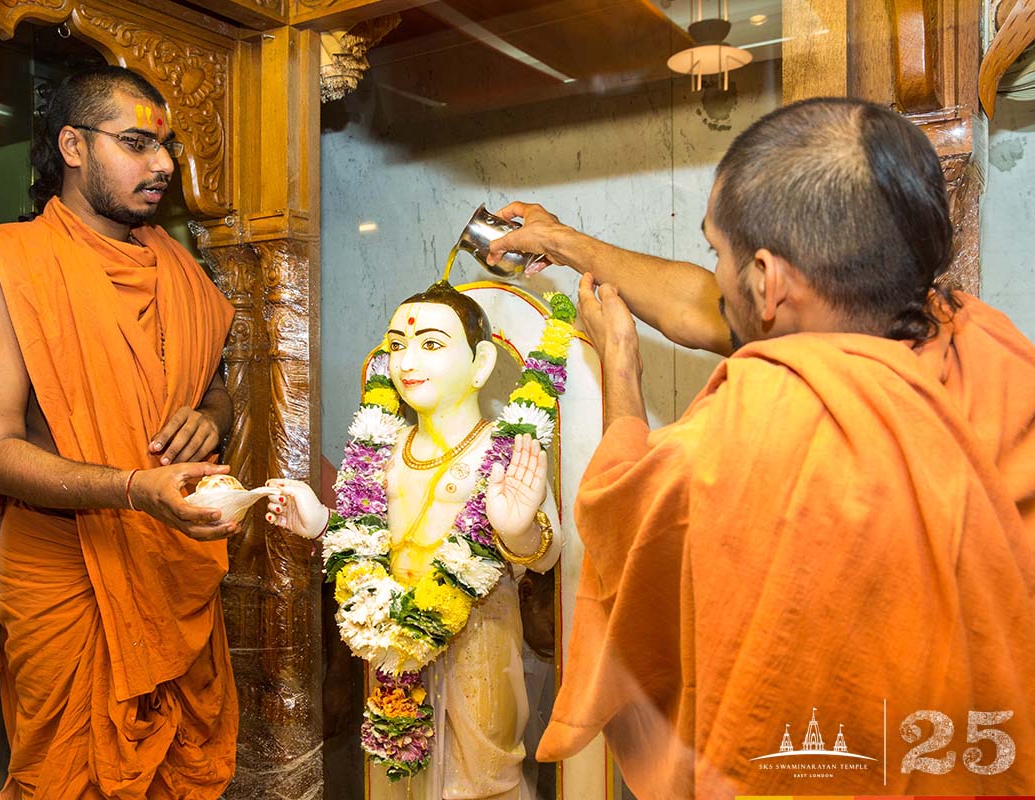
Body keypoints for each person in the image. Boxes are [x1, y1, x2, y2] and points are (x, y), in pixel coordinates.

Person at [487, 97, 1035, 797]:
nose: (713, 273)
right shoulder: (985, 343)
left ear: (770, 281)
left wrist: (618, 367)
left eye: (717, 252)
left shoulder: (758, 425)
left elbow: (627, 522)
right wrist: (565, 242)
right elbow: (706, 310)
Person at [0, 66, 241, 798]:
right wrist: (135, 490)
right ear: (73, 146)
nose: (164, 164)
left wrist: (210, 420)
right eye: (137, 142)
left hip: (174, 568)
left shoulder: (183, 273)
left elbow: (218, 390)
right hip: (63, 570)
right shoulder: (7, 271)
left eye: (165, 146)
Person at [267, 281, 562, 799]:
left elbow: (549, 551)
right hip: (391, 657)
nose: (407, 360)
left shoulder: (504, 447)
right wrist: (319, 523)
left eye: (431, 344)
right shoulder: (382, 446)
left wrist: (516, 528)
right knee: (394, 777)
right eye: (397, 346)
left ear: (481, 364)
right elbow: (365, 543)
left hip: (480, 647)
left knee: (481, 785)